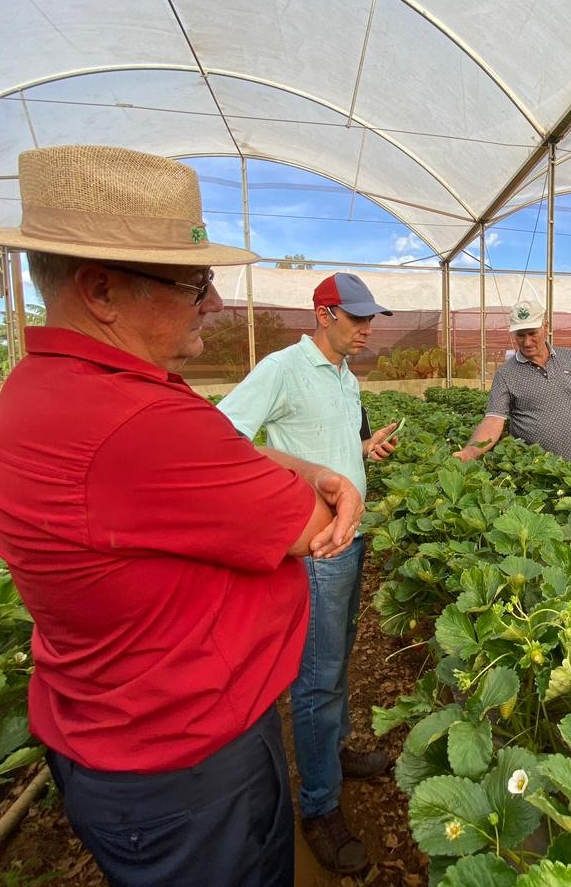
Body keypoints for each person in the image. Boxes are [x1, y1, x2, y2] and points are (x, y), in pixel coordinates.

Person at [0, 145, 363, 887]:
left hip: (122, 739)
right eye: (192, 282)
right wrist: (317, 479)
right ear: (101, 288)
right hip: (188, 768)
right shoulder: (139, 424)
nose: (212, 302)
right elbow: (310, 523)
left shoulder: (38, 390)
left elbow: (228, 462)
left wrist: (303, 465)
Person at [216, 272, 398, 875]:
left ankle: (337, 752)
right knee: (316, 682)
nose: (368, 328)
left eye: (371, 318)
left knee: (339, 657)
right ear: (325, 315)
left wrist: (363, 454)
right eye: (358, 318)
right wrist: (296, 489)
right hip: (318, 551)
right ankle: (319, 807)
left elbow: (334, 445)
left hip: (353, 538)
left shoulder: (346, 377)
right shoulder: (282, 368)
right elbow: (225, 438)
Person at [453, 301, 571, 481]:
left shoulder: (570, 358)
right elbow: (493, 421)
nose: (527, 342)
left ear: (546, 326)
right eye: (520, 335)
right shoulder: (506, 374)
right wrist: (468, 453)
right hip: (534, 476)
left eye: (532, 333)